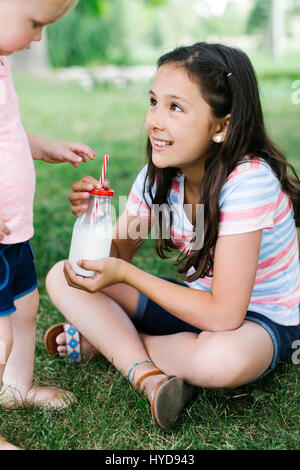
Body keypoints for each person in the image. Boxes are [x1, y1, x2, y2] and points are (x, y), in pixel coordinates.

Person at [45, 42, 300, 430]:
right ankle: (148, 376)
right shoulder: (158, 177)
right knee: (63, 277)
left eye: (175, 107)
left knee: (219, 360)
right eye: (153, 102)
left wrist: (126, 277)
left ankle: (113, 342)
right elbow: (108, 260)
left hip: (262, 323)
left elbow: (225, 315)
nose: (154, 121)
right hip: (195, 307)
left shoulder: (249, 181)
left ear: (222, 126)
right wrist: (93, 218)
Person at [0, 0, 95, 449]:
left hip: (13, 234)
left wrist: (42, 147)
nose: (38, 36)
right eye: (34, 23)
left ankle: (15, 389)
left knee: (25, 307)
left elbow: (7, 132)